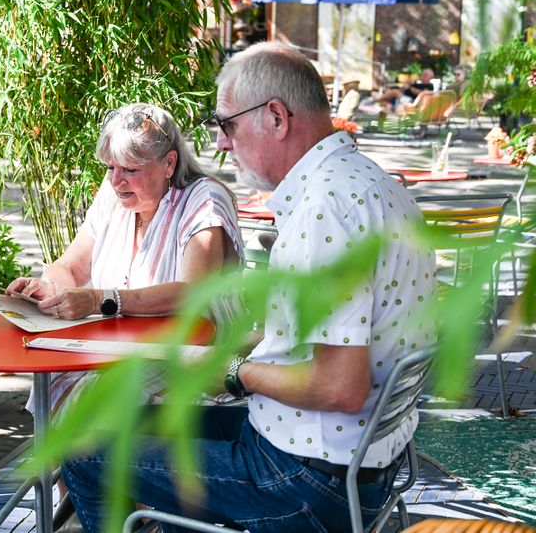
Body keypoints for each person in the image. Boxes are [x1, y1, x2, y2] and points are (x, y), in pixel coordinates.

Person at [62, 43, 437, 533]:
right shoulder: (373, 184)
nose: (221, 143)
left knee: (83, 452)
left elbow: (339, 386)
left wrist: (235, 374)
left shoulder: (323, 209)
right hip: (358, 464)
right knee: (140, 426)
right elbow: (324, 344)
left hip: (305, 480)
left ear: (276, 117)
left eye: (228, 124)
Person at [6, 103, 243, 414]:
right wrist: (51, 290)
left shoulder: (203, 198)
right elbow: (70, 267)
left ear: (169, 163)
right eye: (110, 167)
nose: (116, 181)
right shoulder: (114, 195)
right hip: (120, 349)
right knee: (59, 376)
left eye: (131, 170)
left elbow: (192, 293)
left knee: (96, 394)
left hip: (195, 357)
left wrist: (99, 300)